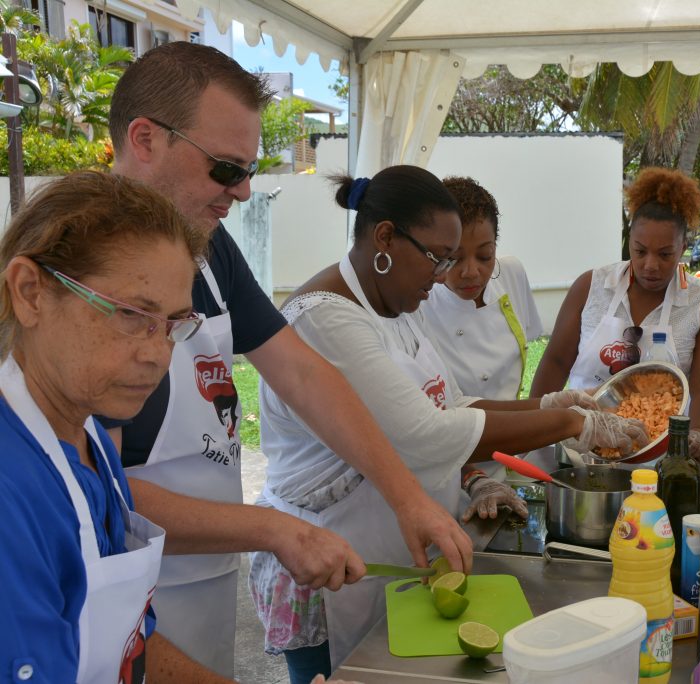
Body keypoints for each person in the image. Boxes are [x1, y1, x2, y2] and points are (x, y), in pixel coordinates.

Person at [107, 41, 470, 675]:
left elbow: (301, 372)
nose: (244, 192)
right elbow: (96, 491)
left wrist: (408, 497)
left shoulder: (208, 249)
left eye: (248, 169)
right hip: (124, 596)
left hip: (206, 577)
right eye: (226, 168)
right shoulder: (80, 276)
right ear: (144, 139)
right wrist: (276, 530)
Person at [251, 166, 649, 679]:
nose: (443, 275)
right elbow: (422, 434)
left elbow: (454, 405)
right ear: (385, 238)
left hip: (388, 551)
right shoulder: (325, 319)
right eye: (438, 258)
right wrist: (571, 423)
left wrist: (549, 404)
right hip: (332, 561)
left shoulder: (395, 303)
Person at [0, 171, 242, 682]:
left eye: (174, 324)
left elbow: (127, 642)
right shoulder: (11, 489)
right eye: (132, 315)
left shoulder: (90, 443)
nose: (157, 354)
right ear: (30, 293)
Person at [530, 166, 700, 460]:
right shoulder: (592, 286)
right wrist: (534, 427)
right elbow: (556, 361)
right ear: (629, 242)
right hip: (581, 448)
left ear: (683, 248)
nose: (650, 265)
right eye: (640, 251)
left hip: (660, 455)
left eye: (665, 254)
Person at [420, 176, 544, 482]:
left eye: (485, 256)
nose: (471, 271)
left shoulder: (511, 274)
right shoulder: (418, 303)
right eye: (454, 259)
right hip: (447, 469)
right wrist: (472, 479)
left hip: (510, 455)